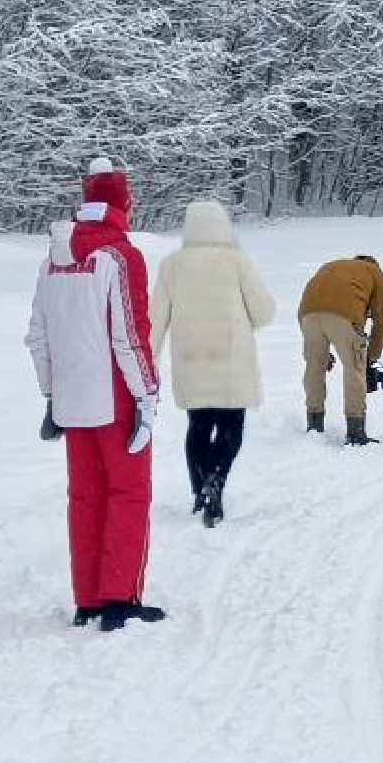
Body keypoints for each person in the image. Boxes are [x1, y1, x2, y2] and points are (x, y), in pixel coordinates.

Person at [25, 157, 164, 632]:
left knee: (85, 497)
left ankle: (88, 600)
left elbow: (37, 336)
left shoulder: (53, 260)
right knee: (129, 493)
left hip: (71, 399)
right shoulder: (120, 257)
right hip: (117, 397)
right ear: (123, 205)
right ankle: (120, 598)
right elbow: (129, 335)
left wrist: (51, 395)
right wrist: (147, 396)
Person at [150, 201, 275, 528]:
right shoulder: (237, 261)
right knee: (231, 428)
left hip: (191, 362)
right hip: (232, 364)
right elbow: (263, 313)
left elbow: (154, 319)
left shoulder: (172, 265)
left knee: (198, 427)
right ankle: (216, 478)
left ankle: (199, 491)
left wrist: (148, 361)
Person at [299, 253, 383, 446]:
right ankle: (355, 433)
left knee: (314, 369)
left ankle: (314, 426)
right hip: (344, 315)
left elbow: (310, 306)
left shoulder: (331, 266)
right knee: (354, 370)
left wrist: (324, 354)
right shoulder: (377, 274)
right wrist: (369, 359)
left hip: (308, 315)